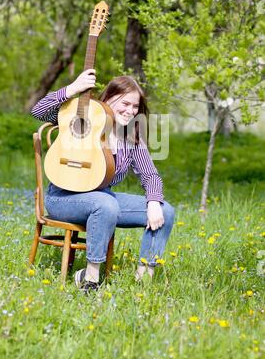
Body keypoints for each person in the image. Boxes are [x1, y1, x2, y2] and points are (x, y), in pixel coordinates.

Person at [31, 69, 175, 293]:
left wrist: (154, 201)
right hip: (63, 199)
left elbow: (150, 175)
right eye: (125, 103)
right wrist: (73, 88)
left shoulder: (131, 138)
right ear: (107, 98)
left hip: (104, 201)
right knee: (106, 203)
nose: (130, 111)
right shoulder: (83, 120)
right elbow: (38, 110)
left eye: (135, 107)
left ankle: (143, 277)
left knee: (166, 211)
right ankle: (90, 278)